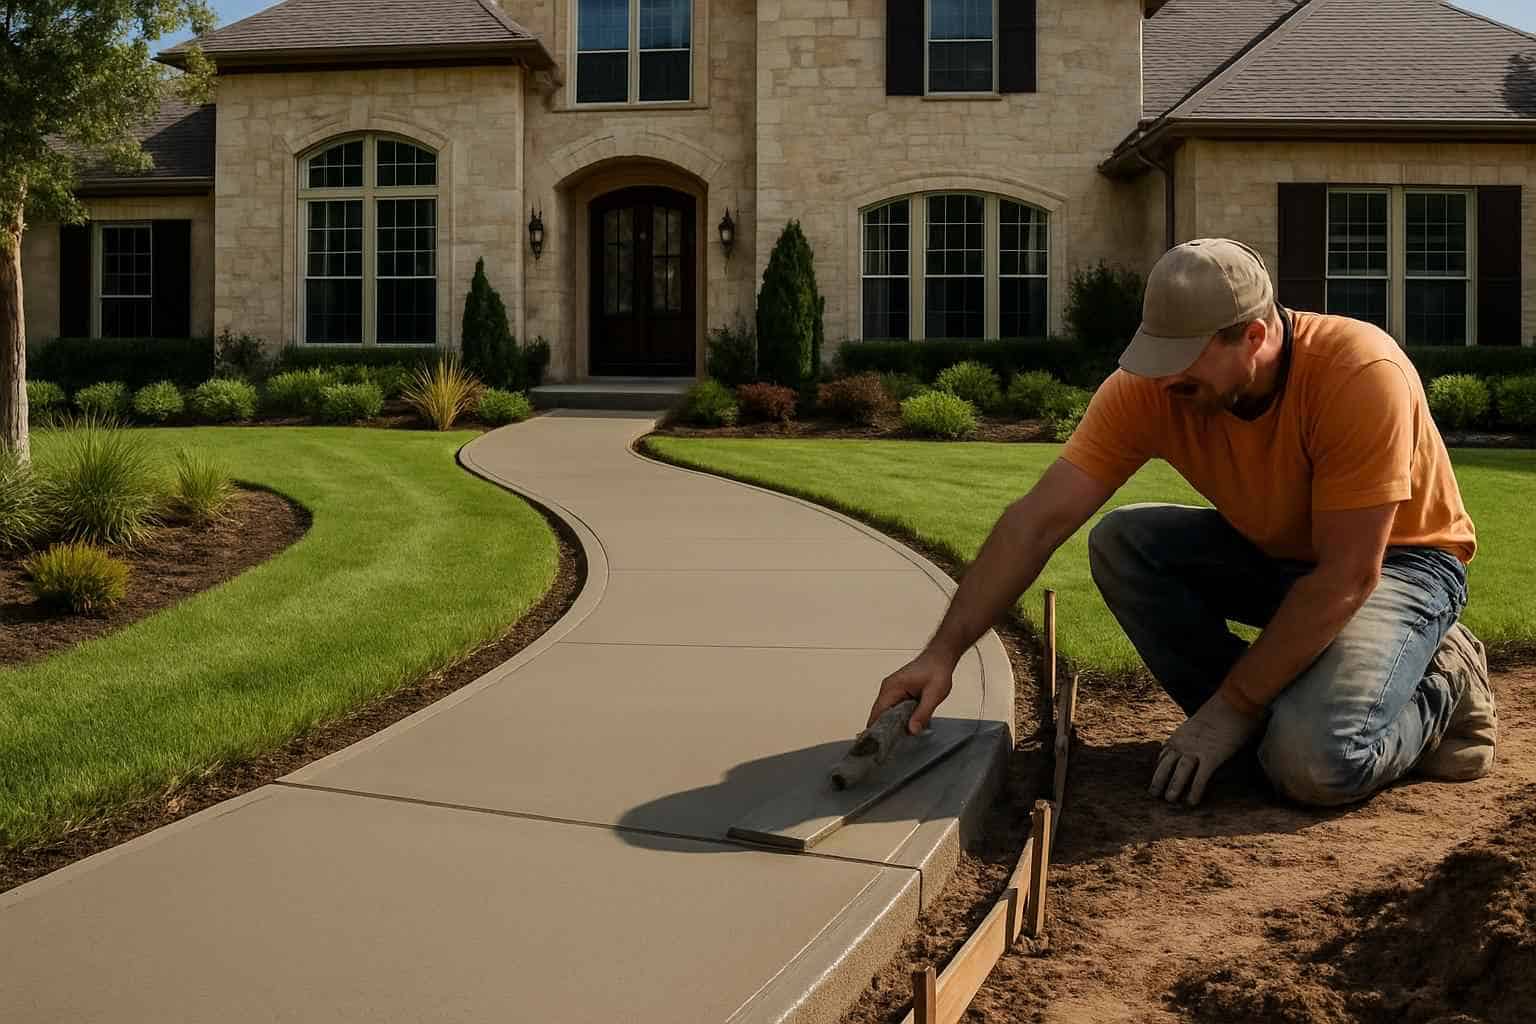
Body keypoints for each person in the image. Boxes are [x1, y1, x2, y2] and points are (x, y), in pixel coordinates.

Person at [866, 237, 1498, 808]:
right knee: (1124, 542)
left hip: (1398, 564)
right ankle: (1277, 715)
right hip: (1279, 557)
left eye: (1186, 359)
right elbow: (1035, 522)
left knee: (1314, 765)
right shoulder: (1154, 387)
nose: (1165, 377)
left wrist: (1230, 709)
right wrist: (940, 654)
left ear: (1252, 337)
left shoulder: (1358, 372)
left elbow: (1346, 574)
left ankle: (1444, 680)